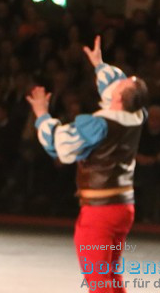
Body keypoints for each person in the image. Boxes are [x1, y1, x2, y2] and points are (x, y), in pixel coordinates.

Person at [27, 36, 148, 291]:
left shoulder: (101, 124)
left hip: (100, 211)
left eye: (122, 83)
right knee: (110, 274)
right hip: (123, 206)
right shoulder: (136, 115)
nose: (119, 79)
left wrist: (41, 115)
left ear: (118, 97)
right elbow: (113, 86)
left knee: (98, 278)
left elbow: (60, 145)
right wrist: (99, 64)